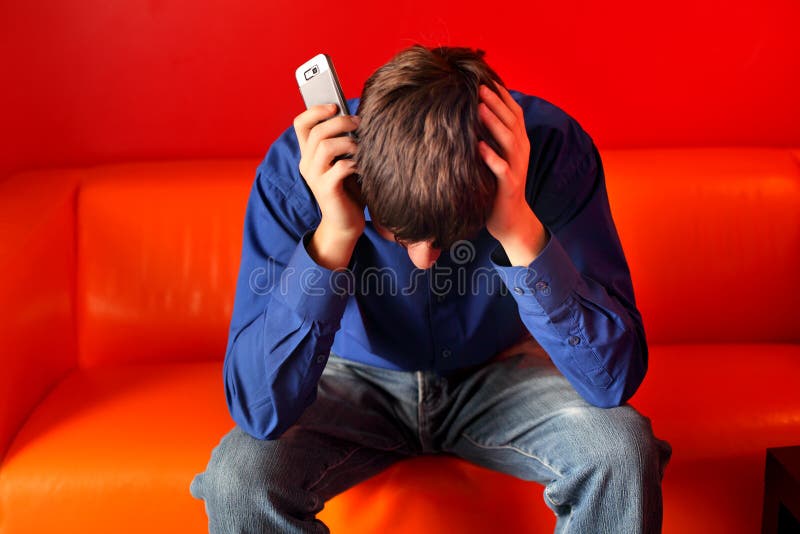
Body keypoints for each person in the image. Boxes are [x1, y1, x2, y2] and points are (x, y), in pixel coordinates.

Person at [190, 44, 673, 533]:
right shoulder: (299, 171)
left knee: (618, 451)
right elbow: (258, 409)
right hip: (352, 380)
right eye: (398, 236)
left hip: (501, 373)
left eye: (453, 237)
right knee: (239, 480)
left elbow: (612, 380)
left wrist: (520, 230)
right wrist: (332, 238)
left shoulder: (551, 150)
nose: (422, 261)